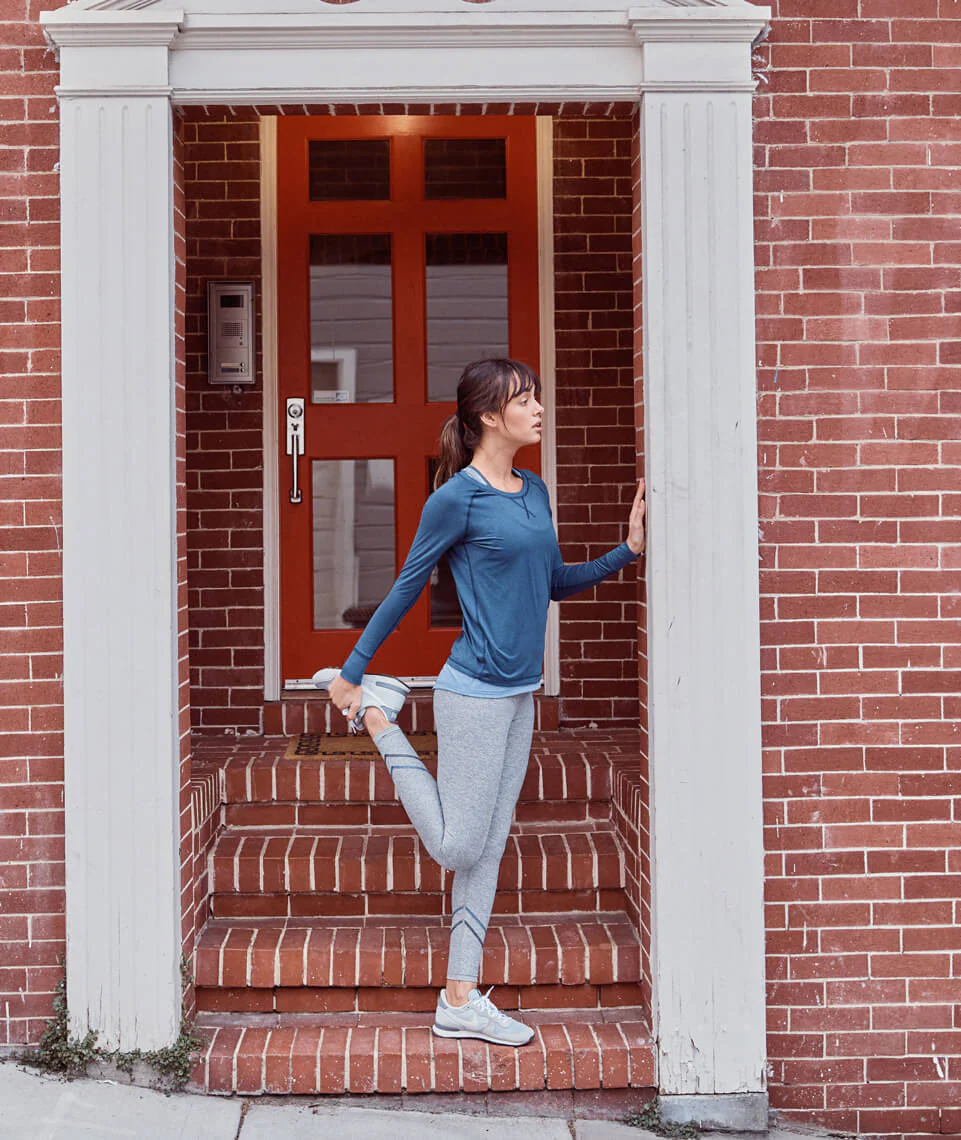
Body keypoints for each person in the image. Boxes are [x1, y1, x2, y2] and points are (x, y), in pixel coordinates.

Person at [313, 357, 646, 1047]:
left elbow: (552, 583)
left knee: (487, 849)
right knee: (457, 844)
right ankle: (377, 715)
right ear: (489, 417)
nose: (538, 409)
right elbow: (407, 585)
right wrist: (352, 672)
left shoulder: (533, 491)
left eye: (537, 397)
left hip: (519, 696)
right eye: (524, 400)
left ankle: (459, 998)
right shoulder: (456, 499)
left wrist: (626, 551)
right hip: (471, 694)